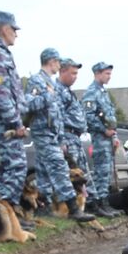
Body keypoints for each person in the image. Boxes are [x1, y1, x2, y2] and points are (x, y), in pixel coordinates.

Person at [25, 48, 89, 221]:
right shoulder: (36, 80)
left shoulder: (51, 83)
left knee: (43, 172)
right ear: (51, 61)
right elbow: (28, 104)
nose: (59, 65)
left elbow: (57, 114)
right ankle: (73, 208)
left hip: (53, 136)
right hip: (43, 133)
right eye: (58, 62)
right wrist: (47, 97)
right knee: (61, 168)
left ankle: (43, 206)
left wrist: (60, 138)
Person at [0, 11, 31, 228]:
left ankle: (6, 219)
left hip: (3, 123)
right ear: (4, 29)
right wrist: (15, 122)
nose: (16, 35)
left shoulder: (0, 52)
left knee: (3, 173)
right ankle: (4, 218)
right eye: (14, 30)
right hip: (5, 125)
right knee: (15, 168)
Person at [82, 61, 119, 217]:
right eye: (106, 73)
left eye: (110, 73)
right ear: (97, 73)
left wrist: (115, 135)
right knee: (101, 171)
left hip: (108, 139)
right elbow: (88, 116)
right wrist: (103, 130)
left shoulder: (103, 92)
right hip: (99, 138)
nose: (109, 76)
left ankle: (104, 202)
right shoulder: (91, 92)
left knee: (107, 171)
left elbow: (110, 117)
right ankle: (97, 203)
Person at [56, 57, 89, 194]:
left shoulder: (68, 92)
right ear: (62, 71)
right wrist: (61, 140)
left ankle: (89, 202)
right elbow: (57, 117)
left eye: (76, 73)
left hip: (76, 137)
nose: (75, 77)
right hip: (67, 137)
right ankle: (73, 205)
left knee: (82, 173)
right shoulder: (58, 91)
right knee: (71, 173)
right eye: (73, 73)